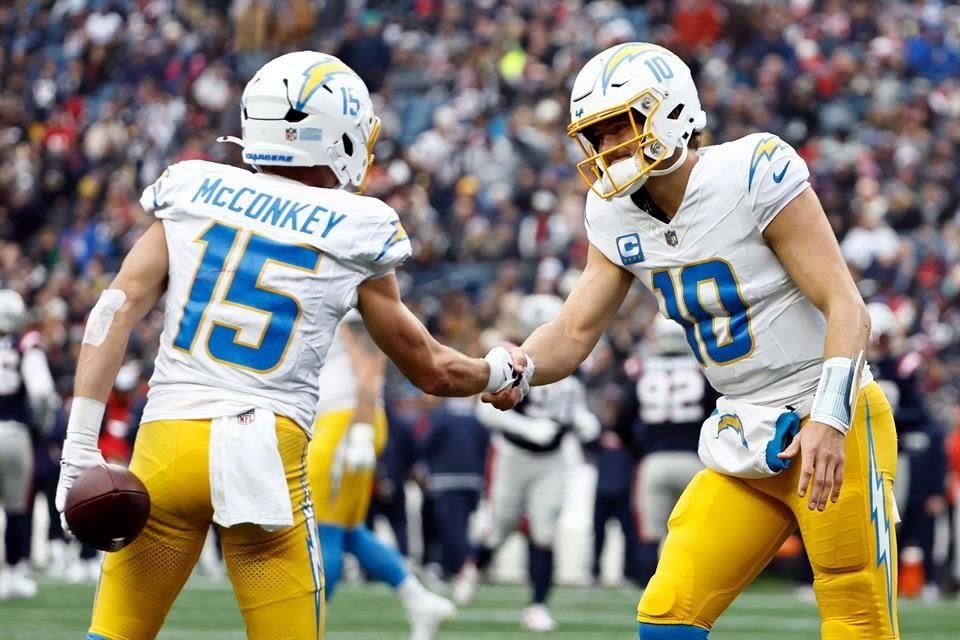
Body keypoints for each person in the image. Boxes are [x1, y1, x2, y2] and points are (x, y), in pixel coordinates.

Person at [53, 51, 525, 640]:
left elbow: (112, 310)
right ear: (339, 137)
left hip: (166, 444)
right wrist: (498, 371)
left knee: (116, 634)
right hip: (263, 455)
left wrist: (78, 447)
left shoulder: (195, 186)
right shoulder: (357, 225)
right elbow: (431, 369)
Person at [483, 42, 899, 640]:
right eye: (594, 137)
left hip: (829, 418)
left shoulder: (751, 170)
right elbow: (573, 333)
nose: (605, 149)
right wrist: (519, 363)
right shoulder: (614, 216)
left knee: (857, 620)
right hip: (744, 432)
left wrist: (830, 423)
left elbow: (848, 309)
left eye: (615, 127)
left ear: (670, 111)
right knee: (667, 617)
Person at [308, 313, 455, 640]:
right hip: (345, 420)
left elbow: (371, 365)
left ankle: (310, 626)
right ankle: (419, 600)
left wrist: (359, 429)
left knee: (325, 528)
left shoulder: (350, 293)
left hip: (344, 423)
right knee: (348, 531)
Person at [458, 294, 600, 632]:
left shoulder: (572, 366)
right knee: (501, 526)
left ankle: (537, 605)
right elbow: (484, 410)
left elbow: (573, 407)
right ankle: (473, 567)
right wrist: (527, 428)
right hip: (514, 455)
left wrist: (583, 420)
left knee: (545, 530)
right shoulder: (513, 360)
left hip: (553, 459)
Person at [627, 316, 715, 578]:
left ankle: (647, 597)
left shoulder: (642, 369)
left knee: (651, 534)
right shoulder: (702, 369)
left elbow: (622, 417)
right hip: (694, 462)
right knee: (690, 532)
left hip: (654, 461)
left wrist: (640, 449)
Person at [0, 290, 57, 600]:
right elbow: (42, 392)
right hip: (12, 433)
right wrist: (40, 429)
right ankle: (11, 574)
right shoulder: (27, 344)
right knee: (16, 508)